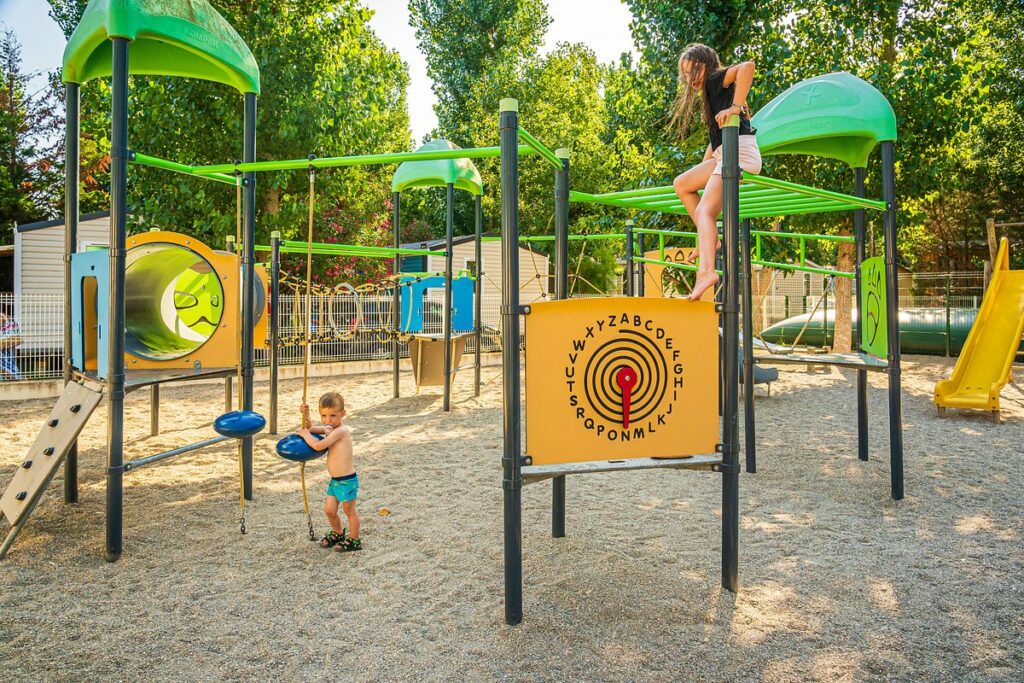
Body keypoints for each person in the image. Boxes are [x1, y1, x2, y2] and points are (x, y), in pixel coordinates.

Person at [669, 44, 762, 302]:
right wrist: (704, 168)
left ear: (706, 65)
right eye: (686, 75)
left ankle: (707, 272)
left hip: (739, 152)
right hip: (725, 152)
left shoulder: (714, 78)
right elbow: (715, 142)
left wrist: (735, 106)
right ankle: (710, 237)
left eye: (694, 70)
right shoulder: (710, 93)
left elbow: (748, 67)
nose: (691, 78)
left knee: (704, 211)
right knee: (682, 184)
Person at [297, 392, 362, 552]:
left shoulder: (341, 431)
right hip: (335, 480)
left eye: (333, 415)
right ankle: (339, 532)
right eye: (324, 415)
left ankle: (354, 540)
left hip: (347, 480)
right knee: (329, 510)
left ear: (343, 413)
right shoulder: (329, 428)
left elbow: (319, 445)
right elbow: (310, 428)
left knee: (349, 510)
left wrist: (305, 435)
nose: (328, 420)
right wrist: (306, 414)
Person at [0, 310, 23, 381]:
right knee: (7, 362)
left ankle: (17, 376)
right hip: (6, 346)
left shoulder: (7, 324)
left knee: (8, 361)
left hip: (8, 347)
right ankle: (16, 376)